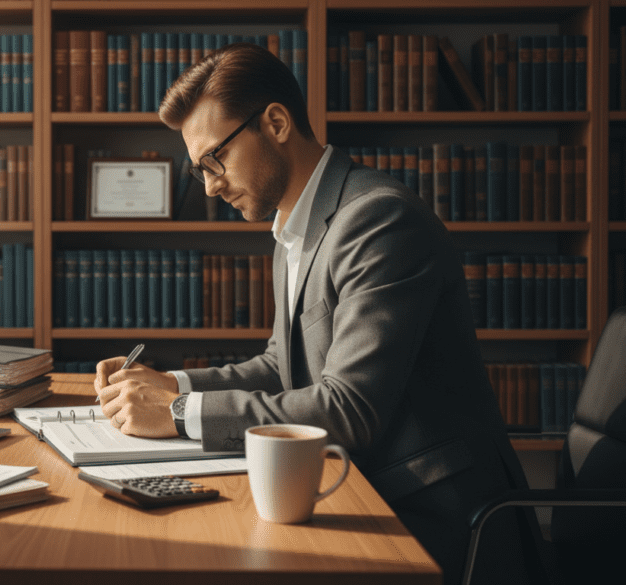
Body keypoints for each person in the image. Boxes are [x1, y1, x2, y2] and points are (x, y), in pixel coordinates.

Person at [93, 43, 544, 585]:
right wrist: (169, 383)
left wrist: (180, 411)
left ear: (276, 123)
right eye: (200, 170)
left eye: (215, 159)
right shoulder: (294, 225)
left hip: (432, 522)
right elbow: (282, 365)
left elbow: (348, 409)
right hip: (355, 492)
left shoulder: (377, 220)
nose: (210, 185)